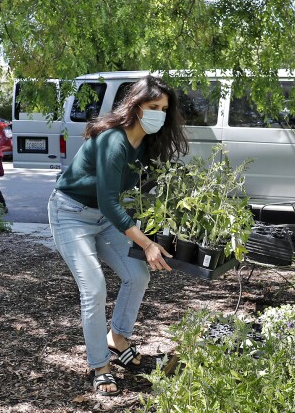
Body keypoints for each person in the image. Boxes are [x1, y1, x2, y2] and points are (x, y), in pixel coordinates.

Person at [47, 75, 189, 396]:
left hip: (103, 218)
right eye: (153, 107)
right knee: (94, 288)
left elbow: (141, 198)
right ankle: (100, 365)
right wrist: (147, 243)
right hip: (70, 214)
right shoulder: (114, 141)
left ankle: (118, 336)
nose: (159, 114)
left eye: (164, 109)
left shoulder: (146, 147)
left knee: (137, 275)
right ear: (136, 106)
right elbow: (110, 201)